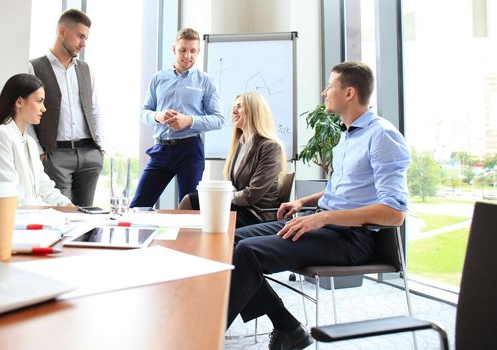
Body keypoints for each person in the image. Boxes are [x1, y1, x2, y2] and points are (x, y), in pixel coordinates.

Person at [226, 61, 410, 350]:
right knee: (229, 241)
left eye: (330, 86)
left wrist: (323, 219)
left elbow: (395, 213)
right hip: (324, 223)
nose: (325, 92)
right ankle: (289, 329)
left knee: (248, 252)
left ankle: (203, 336)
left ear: (349, 92)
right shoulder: (347, 135)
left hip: (351, 239)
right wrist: (304, 202)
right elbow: (341, 191)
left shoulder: (382, 136)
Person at [130, 27, 225, 208]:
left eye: (192, 51)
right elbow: (144, 112)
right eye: (183, 50)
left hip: (190, 151)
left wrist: (189, 121)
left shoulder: (206, 81)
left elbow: (218, 119)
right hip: (161, 150)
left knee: (189, 209)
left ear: (198, 52)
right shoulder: (158, 78)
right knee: (137, 207)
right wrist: (158, 116)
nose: (187, 55)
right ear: (174, 49)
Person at [28, 9, 104, 206]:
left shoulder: (86, 69)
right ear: (62, 31)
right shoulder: (33, 67)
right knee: (61, 216)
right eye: (80, 36)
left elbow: (94, 109)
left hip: (89, 154)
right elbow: (26, 114)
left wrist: (100, 147)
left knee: (87, 217)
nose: (84, 43)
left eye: (86, 38)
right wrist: (37, 150)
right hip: (56, 156)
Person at [0, 74, 73, 207]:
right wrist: (49, 210)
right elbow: (11, 198)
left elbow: (46, 190)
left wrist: (71, 208)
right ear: (19, 102)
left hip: (30, 218)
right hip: (7, 221)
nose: (44, 108)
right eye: (39, 101)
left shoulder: (30, 142)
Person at [179, 92, 287, 228]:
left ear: (254, 110)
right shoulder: (241, 143)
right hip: (238, 207)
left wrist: (223, 195)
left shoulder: (270, 147)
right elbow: (233, 186)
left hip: (255, 215)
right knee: (191, 200)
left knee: (192, 201)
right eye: (234, 107)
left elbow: (251, 195)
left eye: (239, 106)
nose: (234, 111)